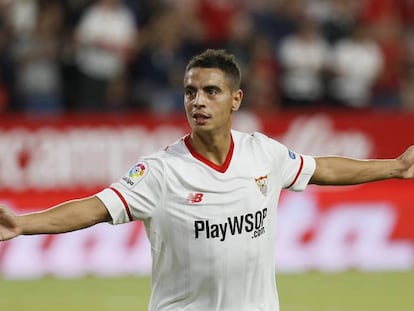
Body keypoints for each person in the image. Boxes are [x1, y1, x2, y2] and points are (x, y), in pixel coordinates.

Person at [0, 49, 413, 311]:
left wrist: (395, 167)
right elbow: (93, 208)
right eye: (190, 91)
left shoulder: (262, 153)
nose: (197, 101)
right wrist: (23, 223)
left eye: (211, 91)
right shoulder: (160, 172)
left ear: (236, 99)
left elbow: (321, 168)